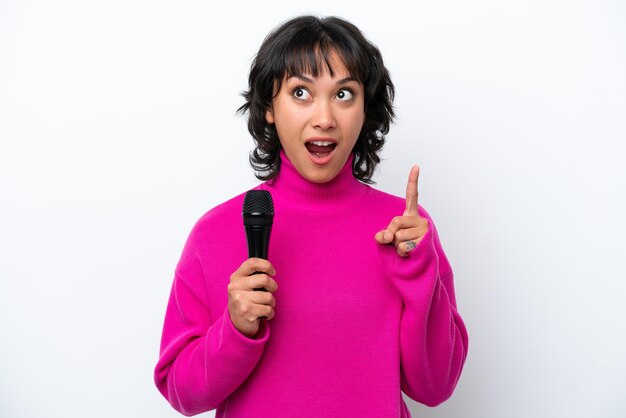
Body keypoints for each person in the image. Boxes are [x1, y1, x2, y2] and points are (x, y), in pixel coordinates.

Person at [154, 15, 468, 418]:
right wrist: (235, 330)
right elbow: (182, 394)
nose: (324, 118)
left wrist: (420, 275)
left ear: (365, 109)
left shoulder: (405, 230)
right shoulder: (215, 231)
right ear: (269, 107)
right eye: (301, 92)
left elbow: (435, 387)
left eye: (344, 95)